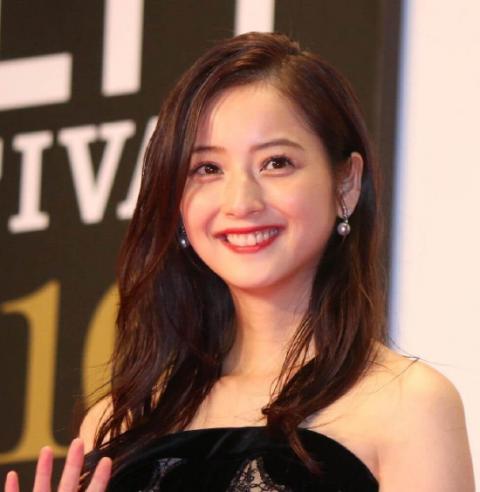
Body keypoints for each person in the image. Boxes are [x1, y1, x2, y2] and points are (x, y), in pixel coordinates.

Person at [4, 32, 474, 492]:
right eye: (207, 169)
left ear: (346, 184)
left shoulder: (408, 405)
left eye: (276, 163)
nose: (241, 202)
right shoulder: (118, 423)